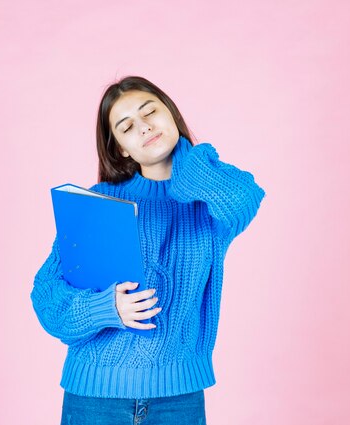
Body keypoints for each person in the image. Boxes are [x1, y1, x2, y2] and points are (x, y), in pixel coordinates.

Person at [30, 75, 266, 424]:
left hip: (177, 400)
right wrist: (104, 308)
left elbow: (243, 199)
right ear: (121, 148)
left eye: (150, 112)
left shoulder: (207, 202)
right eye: (127, 127)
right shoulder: (98, 202)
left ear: (171, 113)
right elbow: (47, 299)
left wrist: (182, 156)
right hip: (95, 398)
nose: (144, 128)